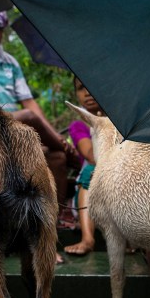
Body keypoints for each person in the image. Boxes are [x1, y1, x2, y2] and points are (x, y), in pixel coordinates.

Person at [0, 11, 77, 228]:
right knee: (29, 116)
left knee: (58, 157)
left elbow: (29, 101)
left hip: (16, 133)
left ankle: (49, 226)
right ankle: (73, 154)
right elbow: (29, 112)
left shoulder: (9, 62)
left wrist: (48, 132)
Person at [64, 75, 102, 256]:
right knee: (90, 171)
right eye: (81, 88)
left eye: (92, 86)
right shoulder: (78, 126)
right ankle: (88, 239)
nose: (87, 92)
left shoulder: (120, 122)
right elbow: (91, 155)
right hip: (90, 190)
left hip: (117, 186)